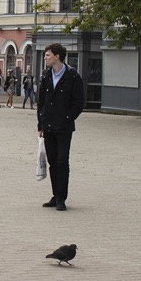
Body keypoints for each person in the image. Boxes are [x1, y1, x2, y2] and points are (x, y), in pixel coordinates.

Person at [37, 43, 85, 211]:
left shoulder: (72, 76)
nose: (45, 58)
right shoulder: (46, 75)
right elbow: (41, 101)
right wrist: (40, 123)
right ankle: (55, 194)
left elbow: (79, 102)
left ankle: (61, 198)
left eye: (48, 55)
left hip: (64, 127)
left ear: (57, 56)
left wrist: (68, 117)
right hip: (48, 125)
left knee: (62, 161)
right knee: (52, 162)